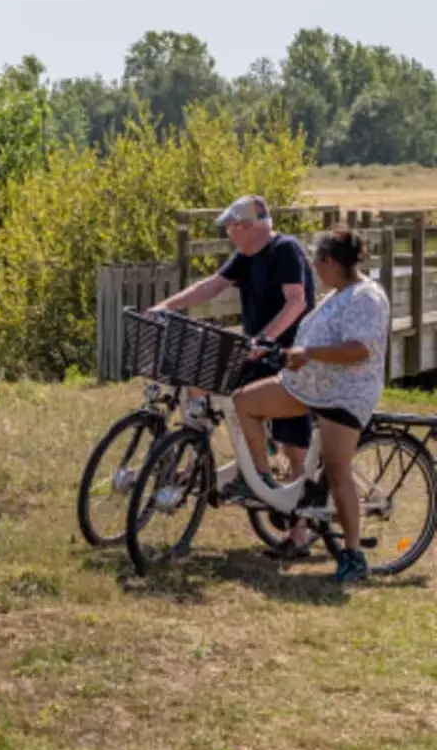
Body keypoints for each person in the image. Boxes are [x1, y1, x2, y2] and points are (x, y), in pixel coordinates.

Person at [148, 194, 317, 553]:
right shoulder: (246, 256)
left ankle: (299, 530)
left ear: (246, 226)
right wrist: (166, 306)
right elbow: (212, 285)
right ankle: (197, 457)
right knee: (198, 377)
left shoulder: (285, 250)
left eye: (231, 227)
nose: (228, 234)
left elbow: (297, 301)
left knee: (293, 445)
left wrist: (266, 338)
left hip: (291, 356)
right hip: (256, 351)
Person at [232, 228, 390, 583]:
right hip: (306, 387)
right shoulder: (337, 293)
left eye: (316, 263)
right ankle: (259, 481)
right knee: (245, 403)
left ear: (331, 262)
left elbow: (360, 349)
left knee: (337, 473)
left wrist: (309, 353)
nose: (314, 270)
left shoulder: (365, 297)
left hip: (344, 395)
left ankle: (352, 555)